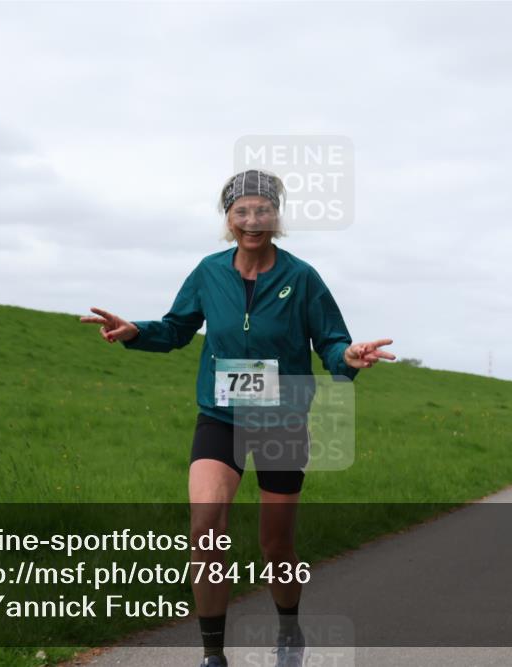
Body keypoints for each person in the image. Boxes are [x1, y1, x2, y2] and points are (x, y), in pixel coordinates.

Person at [81, 169, 394, 667]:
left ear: (277, 216)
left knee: (275, 545)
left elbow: (332, 340)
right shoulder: (209, 272)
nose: (253, 219)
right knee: (206, 530)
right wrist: (134, 331)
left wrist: (347, 357)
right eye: (242, 210)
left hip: (282, 421)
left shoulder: (302, 278)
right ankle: (212, 655)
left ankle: (289, 633)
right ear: (228, 217)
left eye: (263, 209)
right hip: (220, 417)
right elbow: (178, 327)